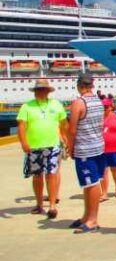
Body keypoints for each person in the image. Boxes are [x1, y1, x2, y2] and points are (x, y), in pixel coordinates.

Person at [16, 79, 68, 219]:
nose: (41, 92)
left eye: (43, 89)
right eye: (38, 90)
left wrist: (64, 138)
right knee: (37, 176)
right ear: (35, 92)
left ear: (48, 91)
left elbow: (63, 123)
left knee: (51, 174)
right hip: (34, 146)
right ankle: (39, 204)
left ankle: (52, 206)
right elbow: (21, 126)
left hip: (53, 145)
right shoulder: (27, 106)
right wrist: (23, 143)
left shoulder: (56, 104)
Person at [67, 73, 106, 233]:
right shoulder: (98, 102)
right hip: (99, 147)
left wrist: (70, 148)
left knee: (92, 184)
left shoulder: (79, 103)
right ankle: (86, 216)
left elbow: (72, 129)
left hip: (85, 150)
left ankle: (92, 220)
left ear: (79, 86)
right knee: (88, 183)